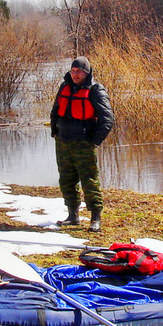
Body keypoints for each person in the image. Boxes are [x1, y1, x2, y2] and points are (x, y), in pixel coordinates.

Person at [50, 56, 114, 231]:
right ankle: (73, 215)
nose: (75, 74)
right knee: (66, 179)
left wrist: (93, 140)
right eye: (73, 71)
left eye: (78, 71)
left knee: (89, 181)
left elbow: (107, 120)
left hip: (83, 143)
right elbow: (55, 111)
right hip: (63, 141)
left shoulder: (95, 90)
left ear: (86, 72)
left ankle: (95, 218)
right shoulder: (65, 87)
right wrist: (54, 131)